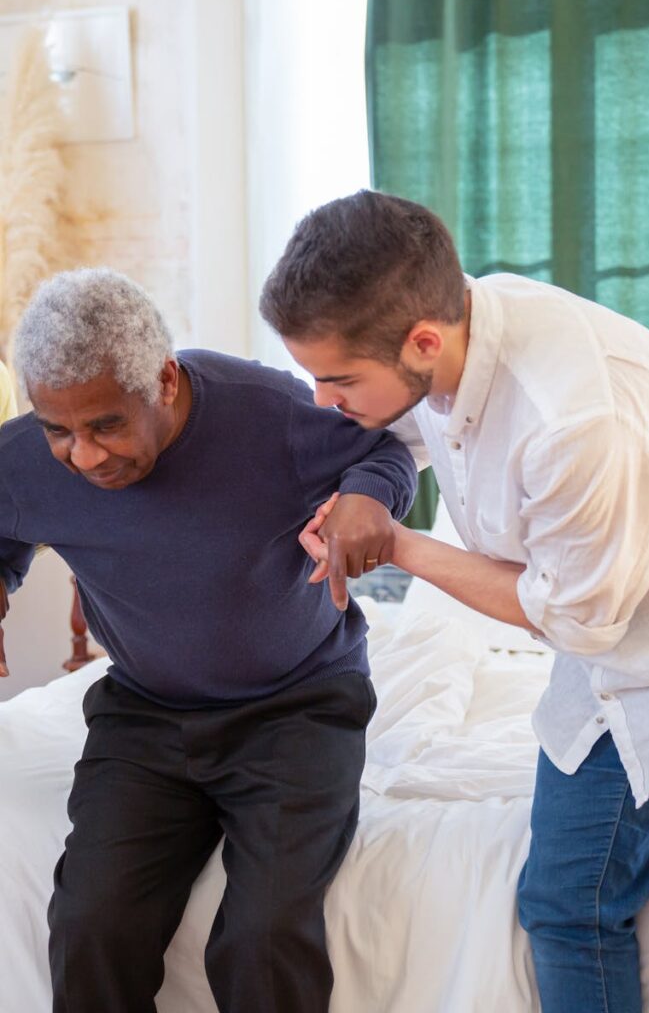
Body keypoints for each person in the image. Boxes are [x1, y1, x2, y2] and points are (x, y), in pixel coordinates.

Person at [259, 189, 649, 1013]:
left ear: (422, 340)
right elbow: (396, 436)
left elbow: (571, 616)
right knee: (560, 910)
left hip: (642, 648)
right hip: (606, 681)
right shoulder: (453, 342)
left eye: (337, 378)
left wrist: (400, 543)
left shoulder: (572, 419)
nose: (321, 399)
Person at [1, 266, 416, 1013]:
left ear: (162, 381)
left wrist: (364, 498)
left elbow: (382, 453)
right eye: (58, 429)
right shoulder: (25, 457)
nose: (83, 456)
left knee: (262, 937)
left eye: (105, 426)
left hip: (296, 708)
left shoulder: (267, 412)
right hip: (146, 714)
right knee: (91, 922)